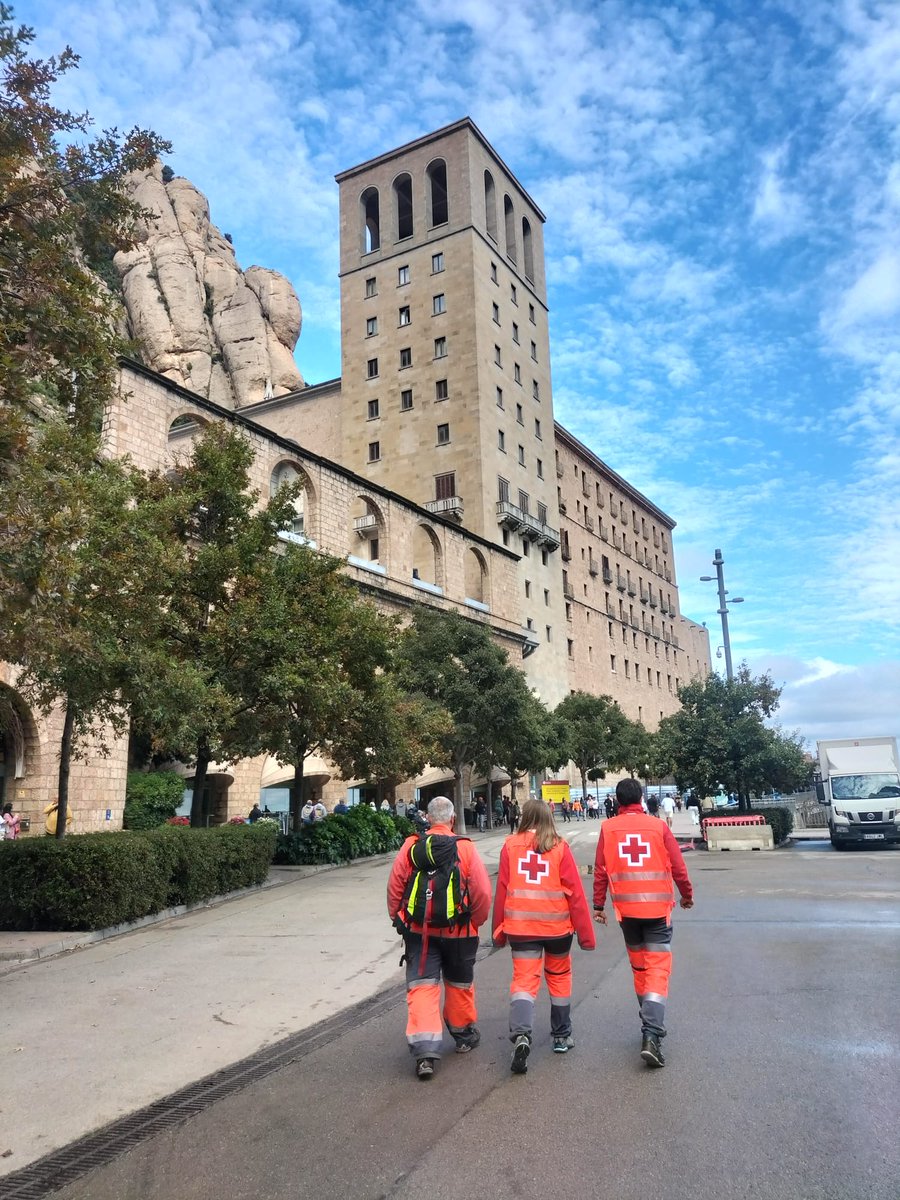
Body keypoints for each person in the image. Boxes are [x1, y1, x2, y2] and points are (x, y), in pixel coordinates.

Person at [386, 796, 492, 1080]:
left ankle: (424, 1053)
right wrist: (475, 922)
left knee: (422, 987)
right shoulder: (465, 849)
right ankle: (463, 1036)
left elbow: (396, 883)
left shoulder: (412, 846)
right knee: (459, 985)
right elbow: (481, 891)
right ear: (453, 819)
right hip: (459, 932)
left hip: (419, 932)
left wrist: (397, 916)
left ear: (428, 818)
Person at [593, 777, 694, 1069]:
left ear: (617, 799)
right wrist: (686, 895)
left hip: (627, 914)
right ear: (640, 797)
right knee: (657, 971)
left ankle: (649, 1016)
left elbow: (601, 869)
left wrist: (598, 905)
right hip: (657, 912)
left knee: (640, 969)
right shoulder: (658, 827)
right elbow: (678, 865)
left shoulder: (608, 828)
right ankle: (651, 1032)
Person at [492, 799, 595, 1074]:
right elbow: (575, 893)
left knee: (524, 981)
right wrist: (586, 935)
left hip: (521, 928)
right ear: (550, 816)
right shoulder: (559, 847)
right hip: (557, 929)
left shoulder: (510, 846)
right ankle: (561, 1036)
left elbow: (502, 889)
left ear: (524, 817)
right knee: (559, 979)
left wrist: (497, 932)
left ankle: (522, 1035)